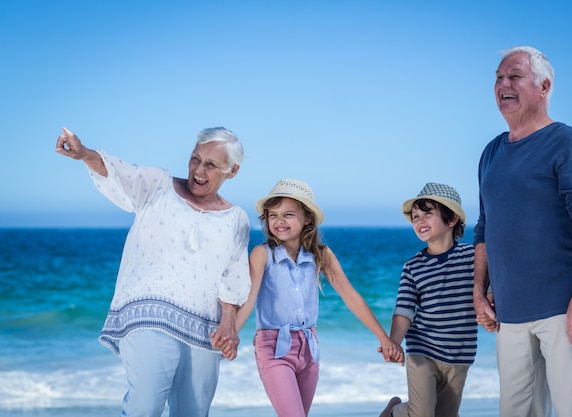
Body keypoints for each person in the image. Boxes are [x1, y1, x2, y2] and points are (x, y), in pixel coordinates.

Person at [55, 127, 251, 416]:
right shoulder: (158, 185)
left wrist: (228, 325)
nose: (199, 169)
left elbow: (233, 279)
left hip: (204, 330)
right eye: (195, 159)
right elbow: (120, 173)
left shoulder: (237, 219)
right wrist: (84, 154)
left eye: (211, 165)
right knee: (145, 407)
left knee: (193, 412)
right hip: (148, 314)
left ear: (232, 171)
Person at [473, 46, 572, 417]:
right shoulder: (490, 153)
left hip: (563, 312)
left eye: (514, 76)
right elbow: (485, 228)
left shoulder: (566, 142)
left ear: (544, 86)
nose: (503, 84)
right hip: (508, 314)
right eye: (499, 78)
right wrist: (478, 292)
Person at [235, 178, 404, 417]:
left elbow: (351, 297)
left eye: (288, 214)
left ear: (307, 218)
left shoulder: (321, 255)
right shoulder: (263, 254)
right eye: (273, 215)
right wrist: (231, 335)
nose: (279, 221)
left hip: (310, 349)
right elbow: (249, 300)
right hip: (273, 348)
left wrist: (385, 340)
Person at [379, 182, 478, 417]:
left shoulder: (473, 256)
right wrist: (394, 342)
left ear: (451, 219)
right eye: (415, 217)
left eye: (427, 214)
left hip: (460, 354)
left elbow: (489, 289)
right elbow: (404, 310)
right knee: (422, 414)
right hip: (423, 350)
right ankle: (395, 411)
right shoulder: (413, 267)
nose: (419, 221)